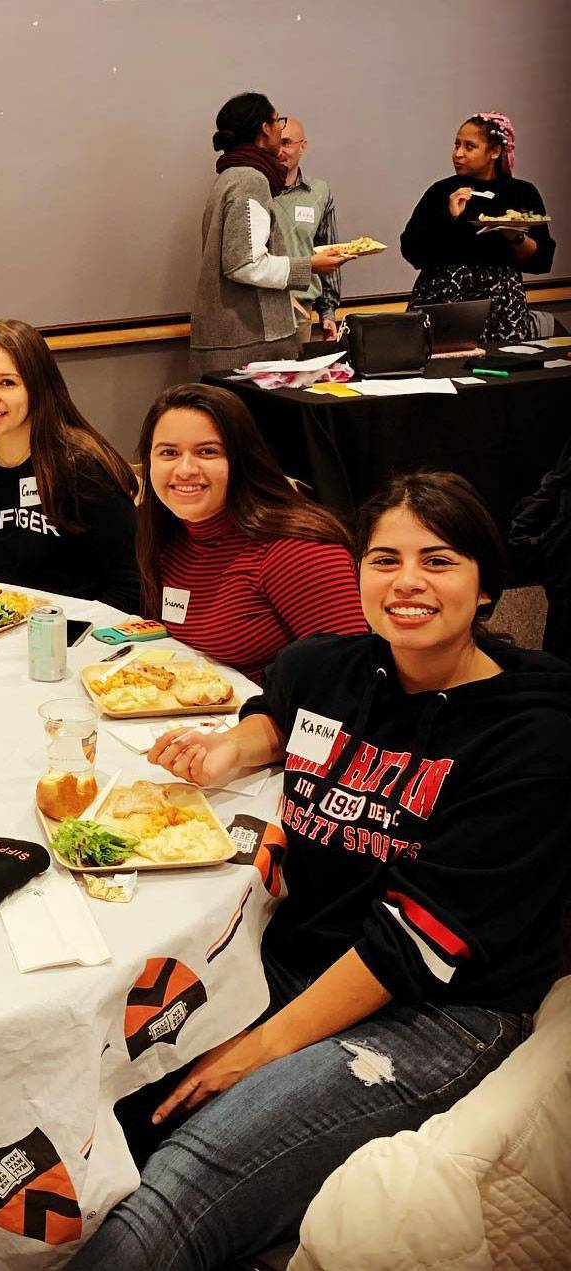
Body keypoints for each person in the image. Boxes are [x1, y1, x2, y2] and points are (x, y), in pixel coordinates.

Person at [70, 471, 571, 1271]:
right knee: (95, 1115)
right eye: (384, 559)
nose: (407, 582)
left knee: (180, 1181)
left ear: (485, 587)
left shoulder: (533, 733)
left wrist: (257, 1048)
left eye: (437, 561)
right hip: (297, 960)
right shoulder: (327, 665)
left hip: (434, 1010)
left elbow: (413, 945)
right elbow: (284, 712)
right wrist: (237, 746)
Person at [136, 382, 365, 681]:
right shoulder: (169, 536)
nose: (185, 470)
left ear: (241, 459)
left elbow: (350, 678)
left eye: (207, 452)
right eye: (169, 453)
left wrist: (263, 723)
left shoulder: (297, 551)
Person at [0, 319, 140, 609]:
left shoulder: (82, 467)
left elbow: (130, 585)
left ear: (38, 388)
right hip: (1, 639)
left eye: (7, 382)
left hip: (83, 638)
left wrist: (62, 640)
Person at [191, 92, 349, 375]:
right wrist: (310, 266)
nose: (280, 129)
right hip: (247, 345)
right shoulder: (250, 180)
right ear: (265, 129)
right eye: (278, 121)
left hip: (235, 341)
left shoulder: (231, 175)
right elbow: (245, 263)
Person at [401, 111, 556, 344]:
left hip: (501, 303)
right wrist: (451, 220)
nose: (458, 154)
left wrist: (515, 237)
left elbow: (541, 260)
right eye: (456, 145)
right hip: (442, 300)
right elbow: (412, 251)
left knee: (502, 367)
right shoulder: (441, 191)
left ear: (494, 152)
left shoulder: (521, 192)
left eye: (469, 147)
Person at [272, 117, 343, 342]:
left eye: (287, 143)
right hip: (263, 308)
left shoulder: (319, 192)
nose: (280, 151)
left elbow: (327, 251)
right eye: (276, 144)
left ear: (303, 146)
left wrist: (328, 312)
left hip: (302, 310)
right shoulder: (256, 189)